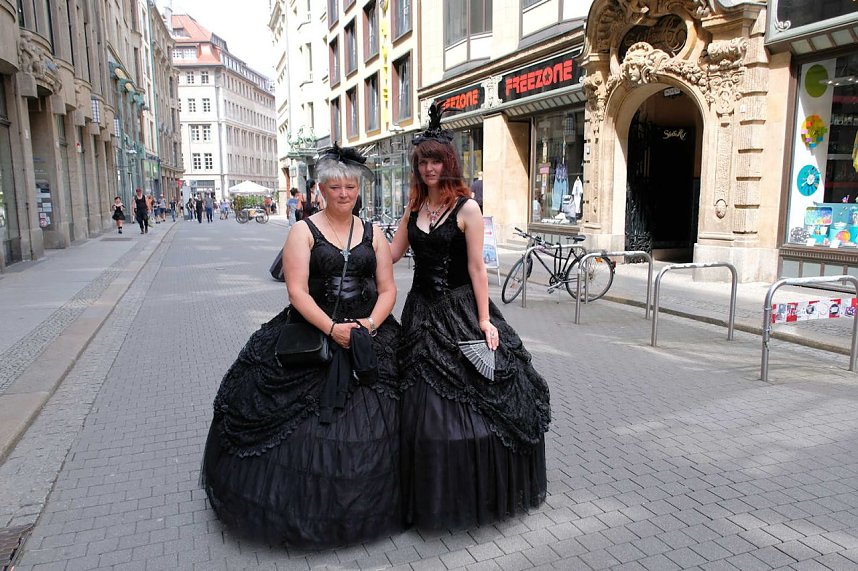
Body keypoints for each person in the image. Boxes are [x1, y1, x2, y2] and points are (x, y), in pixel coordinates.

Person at [201, 145, 403, 548]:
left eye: (351, 186)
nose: (344, 193)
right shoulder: (302, 231)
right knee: (310, 431)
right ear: (321, 190)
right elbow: (297, 292)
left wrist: (369, 324)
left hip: (369, 331)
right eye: (336, 186)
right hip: (315, 333)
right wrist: (333, 329)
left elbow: (387, 287)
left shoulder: (375, 233)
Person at [390, 102, 550, 530]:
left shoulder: (467, 210)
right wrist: (345, 239)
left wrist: (485, 320)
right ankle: (426, 489)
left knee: (471, 402)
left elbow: (478, 268)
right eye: (422, 160)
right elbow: (389, 256)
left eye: (435, 159)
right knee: (421, 405)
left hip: (459, 310)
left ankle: (466, 489)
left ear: (449, 163)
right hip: (419, 314)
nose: (428, 167)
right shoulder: (412, 212)